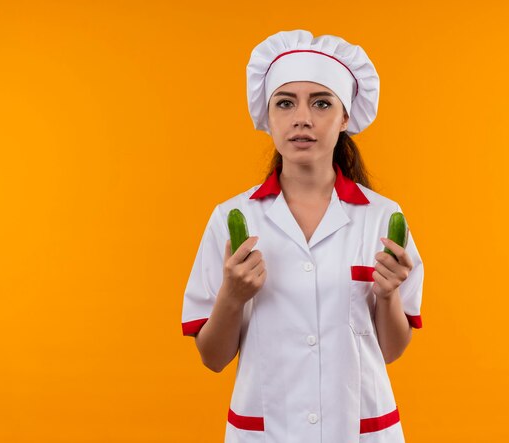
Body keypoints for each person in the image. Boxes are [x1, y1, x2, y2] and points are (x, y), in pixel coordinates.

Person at [181, 29, 424, 443]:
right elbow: (213, 358)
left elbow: (391, 350)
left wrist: (387, 296)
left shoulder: (384, 217)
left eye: (321, 103)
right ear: (268, 116)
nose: (302, 119)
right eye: (286, 103)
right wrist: (232, 296)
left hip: (363, 429)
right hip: (266, 431)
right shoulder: (231, 218)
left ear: (345, 117)